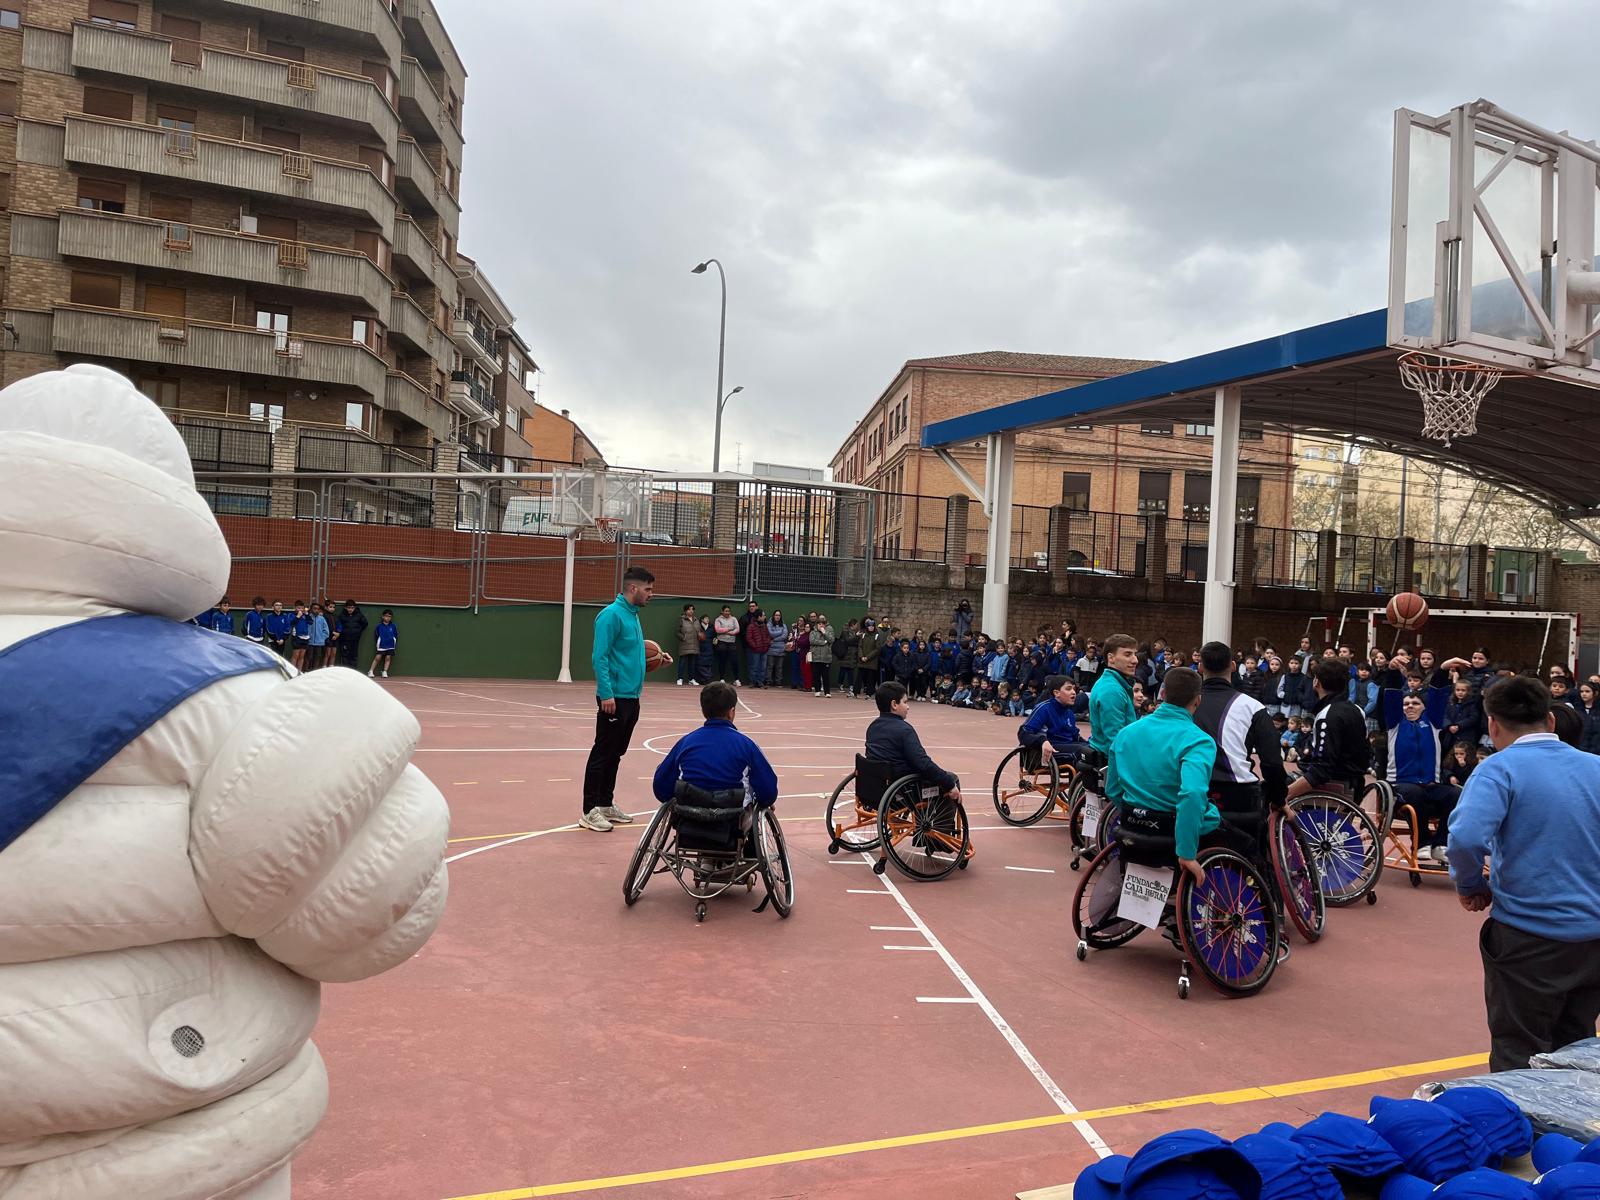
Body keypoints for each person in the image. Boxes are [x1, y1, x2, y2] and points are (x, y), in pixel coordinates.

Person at [1447, 677, 1600, 1073]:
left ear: (1493, 725)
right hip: (1593, 936)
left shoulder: (1498, 770)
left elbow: (1464, 838)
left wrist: (1470, 885)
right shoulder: (1595, 767)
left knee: (1519, 1050)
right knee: (1578, 1044)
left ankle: (1522, 1130)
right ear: (1550, 719)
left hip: (1529, 935)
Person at [1104, 667, 1219, 885]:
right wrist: (1186, 853)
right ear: (1198, 701)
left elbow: (1113, 789)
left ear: (1162, 694)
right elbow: (1192, 793)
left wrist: (1137, 813)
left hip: (1131, 824)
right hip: (1171, 831)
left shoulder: (1126, 733)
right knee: (1234, 832)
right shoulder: (1198, 741)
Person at [579, 565, 656, 833]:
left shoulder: (633, 615)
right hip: (614, 698)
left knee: (616, 753)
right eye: (648, 589)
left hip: (631, 697)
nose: (651, 594)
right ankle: (589, 810)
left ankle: (605, 803)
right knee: (602, 752)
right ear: (633, 588)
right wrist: (606, 693)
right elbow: (599, 656)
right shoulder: (610, 615)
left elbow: (629, 654)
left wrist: (657, 660)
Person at [1194, 641, 1288, 855]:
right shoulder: (1252, 707)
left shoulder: (1185, 704)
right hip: (1238, 795)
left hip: (1192, 789)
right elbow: (1272, 762)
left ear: (1200, 667)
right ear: (1234, 666)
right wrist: (1279, 799)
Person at [651, 681, 779, 811]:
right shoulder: (747, 745)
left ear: (703, 711)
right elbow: (768, 792)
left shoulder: (685, 743)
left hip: (689, 817)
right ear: (731, 712)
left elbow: (661, 789)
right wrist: (762, 801)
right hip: (732, 820)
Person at [1382, 681, 1460, 863]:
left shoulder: (1432, 724)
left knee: (1456, 794)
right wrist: (1393, 674)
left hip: (1430, 784)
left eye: (1415, 703)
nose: (1410, 706)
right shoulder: (1395, 724)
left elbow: (1438, 698)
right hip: (1400, 785)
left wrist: (1442, 672)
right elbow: (1391, 698)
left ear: (1424, 707)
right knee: (1415, 793)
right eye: (1406, 703)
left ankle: (1441, 844)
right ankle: (1422, 843)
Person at [865, 681, 964, 818]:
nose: (908, 707)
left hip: (876, 789)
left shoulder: (873, 727)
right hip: (904, 792)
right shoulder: (904, 730)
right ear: (894, 705)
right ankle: (934, 836)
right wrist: (949, 783)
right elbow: (923, 763)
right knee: (951, 779)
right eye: (905, 702)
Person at [1287, 657, 1372, 800]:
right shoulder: (1357, 710)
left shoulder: (1327, 715)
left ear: (1316, 682)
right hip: (1355, 783)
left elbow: (1321, 770)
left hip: (1334, 785)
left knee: (1269, 790)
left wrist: (1285, 795)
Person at [1088, 632, 1139, 762]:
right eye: (1128, 654)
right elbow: (1116, 739)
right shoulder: (1112, 690)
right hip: (1113, 763)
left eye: (1135, 654)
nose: (1135, 660)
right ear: (1111, 658)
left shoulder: (1114, 685)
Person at [1018, 675, 1085, 769]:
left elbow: (1075, 737)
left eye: (1074, 689)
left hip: (1066, 747)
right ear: (1056, 693)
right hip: (1045, 751)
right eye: (1069, 689)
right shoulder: (1044, 709)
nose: (1073, 692)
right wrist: (1042, 741)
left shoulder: (1069, 712)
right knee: (1082, 751)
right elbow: (1023, 733)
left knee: (1093, 750)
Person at [334, 599, 367, 669]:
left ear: (354, 608)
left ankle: (353, 670)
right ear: (345, 608)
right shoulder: (341, 616)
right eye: (349, 607)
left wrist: (358, 631)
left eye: (352, 608)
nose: (350, 609)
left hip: (355, 639)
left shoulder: (359, 615)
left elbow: (365, 623)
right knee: (345, 655)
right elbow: (338, 625)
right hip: (344, 639)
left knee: (354, 654)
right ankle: (345, 670)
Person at [712, 605, 739, 684]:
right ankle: (722, 678)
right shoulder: (718, 620)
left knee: (734, 661)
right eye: (726, 611)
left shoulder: (734, 619)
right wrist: (728, 629)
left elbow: (737, 629)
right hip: (721, 642)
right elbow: (717, 629)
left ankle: (736, 679)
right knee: (722, 660)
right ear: (722, 611)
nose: (727, 612)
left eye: (728, 611)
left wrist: (729, 632)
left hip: (732, 642)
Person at [367, 609, 398, 678]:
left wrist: (393, 640)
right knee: (378, 658)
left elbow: (396, 635)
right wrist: (378, 642)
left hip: (390, 645)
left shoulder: (393, 626)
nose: (387, 618)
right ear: (382, 616)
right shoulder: (379, 626)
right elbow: (376, 635)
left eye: (389, 616)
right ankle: (371, 671)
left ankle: (384, 671)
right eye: (386, 616)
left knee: (388, 658)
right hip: (381, 645)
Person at [744, 609, 771, 688]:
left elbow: (768, 636)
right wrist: (755, 646)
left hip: (764, 650)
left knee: (763, 667)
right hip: (755, 651)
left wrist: (767, 644)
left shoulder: (765, 626)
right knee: (754, 666)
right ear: (759, 617)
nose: (765, 617)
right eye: (763, 615)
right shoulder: (751, 626)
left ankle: (760, 682)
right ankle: (752, 682)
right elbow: (749, 638)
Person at [810, 613, 835, 696]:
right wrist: (823, 642)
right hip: (816, 657)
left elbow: (831, 640)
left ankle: (827, 692)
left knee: (825, 676)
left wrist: (824, 633)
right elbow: (812, 641)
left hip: (826, 658)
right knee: (816, 675)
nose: (821, 625)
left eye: (822, 624)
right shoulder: (813, 632)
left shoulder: (828, 632)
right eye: (819, 624)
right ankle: (817, 690)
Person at [675, 603, 699, 686]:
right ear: (685, 611)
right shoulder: (681, 619)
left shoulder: (696, 620)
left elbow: (698, 631)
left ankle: (691, 679)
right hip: (684, 644)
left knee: (692, 663)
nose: (691, 611)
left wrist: (700, 635)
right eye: (689, 609)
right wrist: (683, 638)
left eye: (692, 609)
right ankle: (679, 678)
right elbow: (677, 632)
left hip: (694, 645)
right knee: (682, 662)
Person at [1572, 681, 1600, 754]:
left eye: (1587, 691)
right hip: (1580, 749)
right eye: (1581, 691)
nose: (1584, 694)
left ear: (1595, 693)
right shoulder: (1576, 709)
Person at [836, 619, 861, 697]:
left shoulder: (856, 633)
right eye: (856, 624)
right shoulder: (845, 632)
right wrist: (855, 637)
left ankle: (851, 686)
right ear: (852, 625)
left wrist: (855, 638)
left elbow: (857, 642)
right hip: (845, 655)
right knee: (843, 670)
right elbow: (847, 641)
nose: (857, 626)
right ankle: (840, 684)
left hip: (853, 655)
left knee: (851, 671)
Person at [765, 609, 788, 688]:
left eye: (779, 615)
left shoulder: (783, 625)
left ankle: (778, 682)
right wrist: (780, 632)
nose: (777, 616)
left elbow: (785, 635)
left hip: (781, 649)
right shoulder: (769, 624)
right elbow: (770, 633)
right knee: (770, 666)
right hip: (771, 649)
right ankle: (768, 681)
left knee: (779, 667)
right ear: (773, 616)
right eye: (776, 615)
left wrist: (774, 639)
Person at [306, 602, 329, 671]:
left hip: (319, 643)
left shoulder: (322, 619)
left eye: (318, 609)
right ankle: (307, 671)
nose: (316, 610)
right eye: (314, 608)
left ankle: (315, 671)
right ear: (311, 609)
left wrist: (322, 638)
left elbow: (326, 631)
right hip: (309, 642)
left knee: (317, 657)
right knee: (309, 657)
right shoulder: (307, 617)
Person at [289, 601, 312, 670]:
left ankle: (299, 671)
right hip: (296, 637)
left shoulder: (305, 615)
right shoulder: (291, 615)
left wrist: (307, 614)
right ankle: (292, 671)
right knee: (296, 655)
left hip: (305, 637)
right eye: (299, 608)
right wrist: (298, 616)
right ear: (295, 608)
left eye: (302, 608)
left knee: (302, 656)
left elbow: (311, 622)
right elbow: (291, 623)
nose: (301, 610)